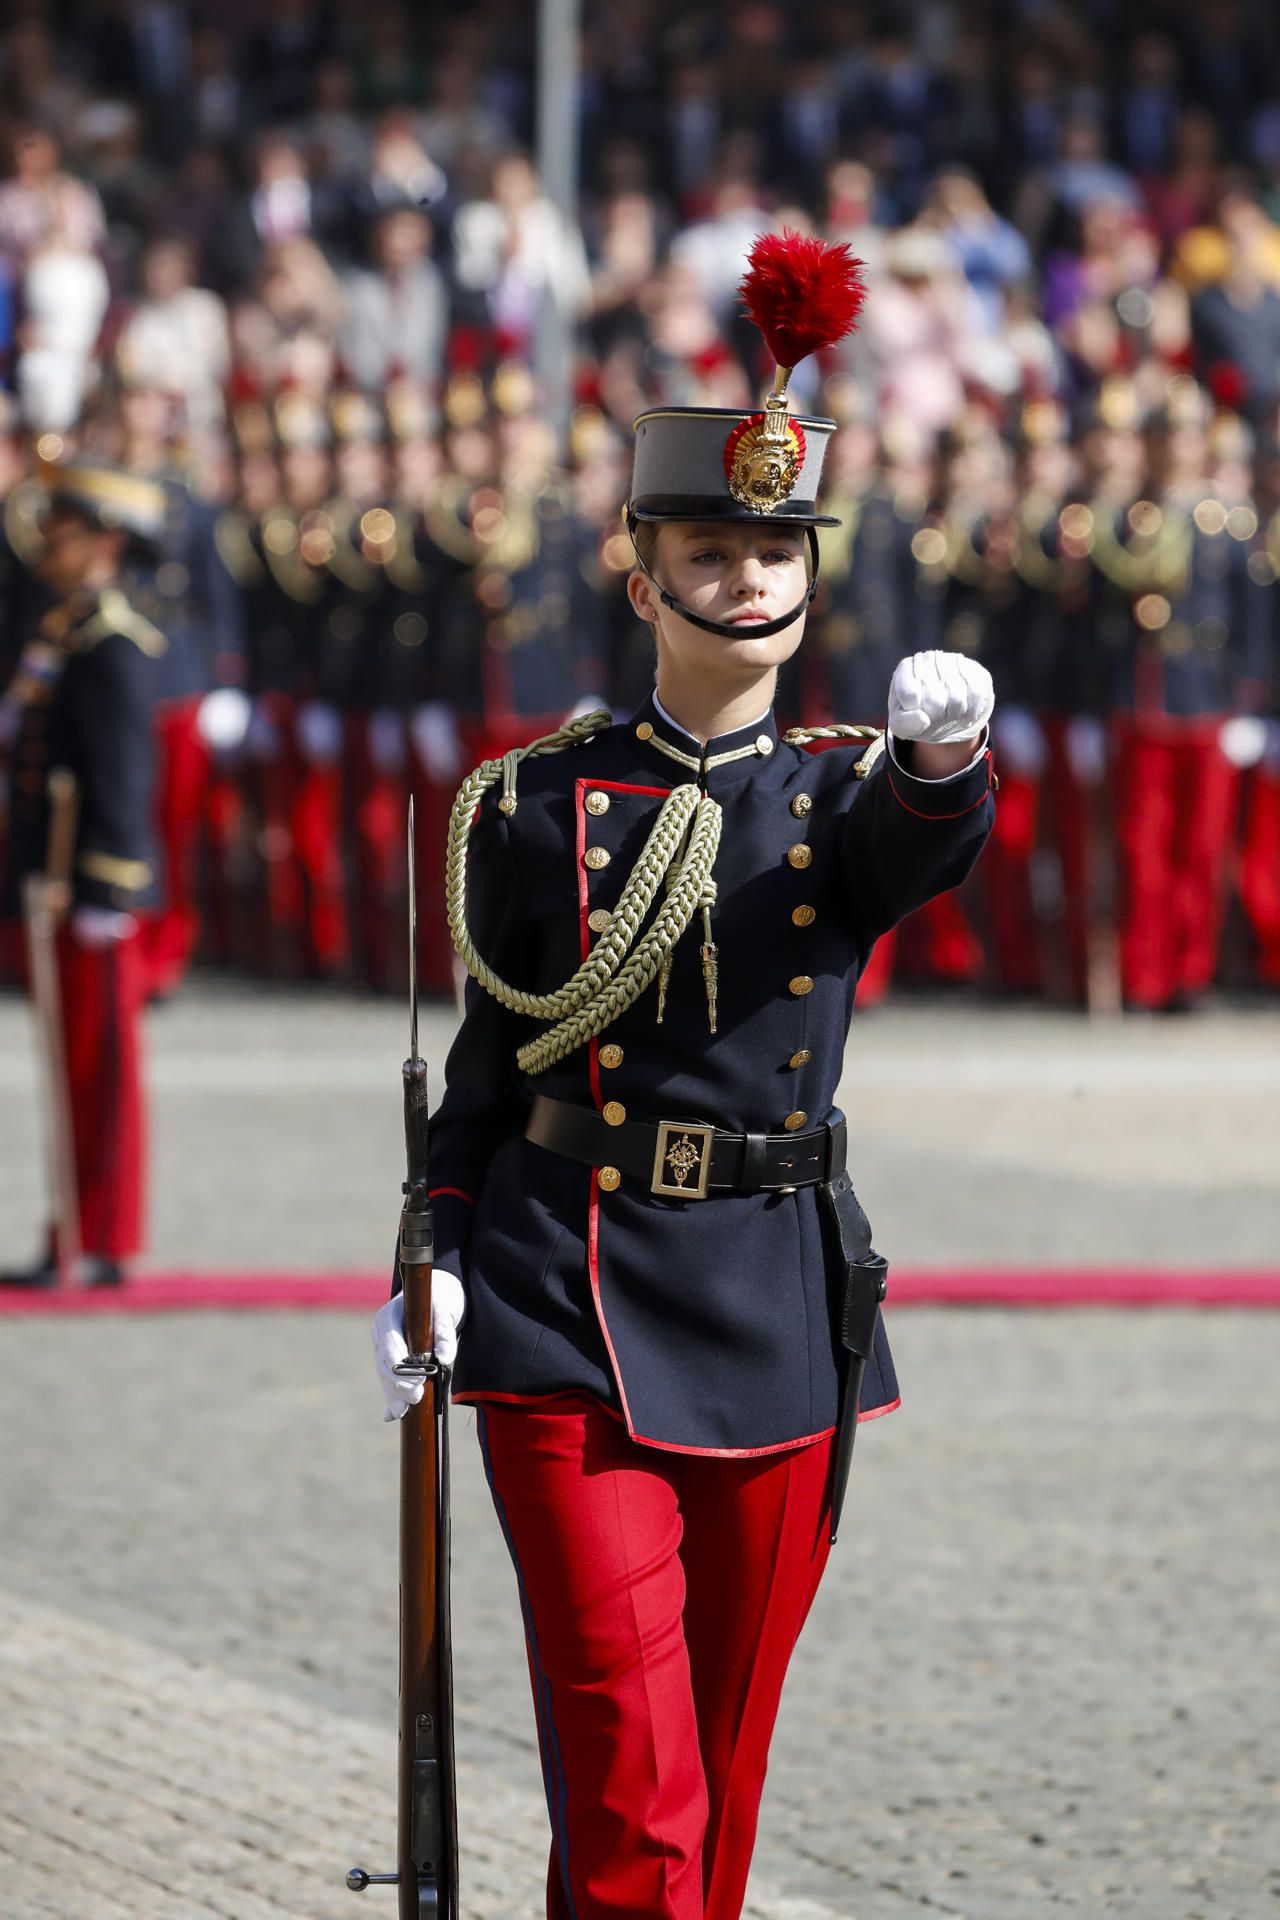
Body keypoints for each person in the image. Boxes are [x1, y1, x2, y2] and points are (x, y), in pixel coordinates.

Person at [371, 238, 997, 1920]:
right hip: (562, 1292)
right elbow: (497, 1058)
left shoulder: (835, 792)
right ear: (640, 577)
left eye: (771, 548)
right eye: (705, 550)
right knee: (634, 1789)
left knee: (716, 1792)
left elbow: (906, 849)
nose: (742, 577)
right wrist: (431, 1246)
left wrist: (945, 764)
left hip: (778, 1304)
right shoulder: (533, 798)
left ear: (810, 578)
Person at [0, 459, 169, 1288]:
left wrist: (108, 888)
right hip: (54, 884)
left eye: (61, 534)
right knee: (71, 1067)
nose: (45, 547)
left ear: (102, 542)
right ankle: (71, 1225)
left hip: (91, 890)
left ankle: (103, 1236)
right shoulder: (67, 629)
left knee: (102, 1072)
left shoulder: (111, 642)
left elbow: (122, 779)